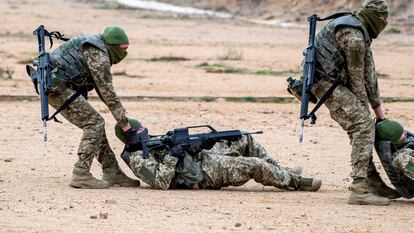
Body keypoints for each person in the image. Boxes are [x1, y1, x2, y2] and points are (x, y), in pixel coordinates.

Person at [288, 0, 394, 205]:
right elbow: (357, 81)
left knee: (364, 125)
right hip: (324, 83)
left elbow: (369, 76)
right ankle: (359, 189)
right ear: (374, 17)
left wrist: (379, 114)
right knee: (362, 126)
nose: (385, 23)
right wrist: (366, 112)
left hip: (335, 81)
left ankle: (372, 182)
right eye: (383, 19)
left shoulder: (361, 29)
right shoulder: (353, 36)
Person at [26, 26, 144, 189]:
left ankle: (111, 170)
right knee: (94, 123)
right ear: (113, 45)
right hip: (54, 87)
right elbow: (107, 92)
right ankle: (81, 173)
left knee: (95, 122)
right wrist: (125, 124)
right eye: (123, 48)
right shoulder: (99, 56)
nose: (125, 53)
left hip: (52, 83)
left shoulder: (95, 44)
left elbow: (101, 90)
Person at [115, 119, 322, 191]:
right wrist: (172, 155)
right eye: (140, 131)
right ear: (131, 139)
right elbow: (160, 182)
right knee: (254, 165)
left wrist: (201, 144)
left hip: (200, 158)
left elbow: (179, 150)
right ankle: (296, 182)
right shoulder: (137, 159)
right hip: (203, 174)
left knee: (242, 138)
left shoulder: (149, 143)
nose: (145, 131)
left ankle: (281, 171)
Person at [375, 119, 414, 198]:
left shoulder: (406, 142)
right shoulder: (400, 158)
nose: (406, 132)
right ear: (395, 140)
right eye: (402, 133)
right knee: (402, 158)